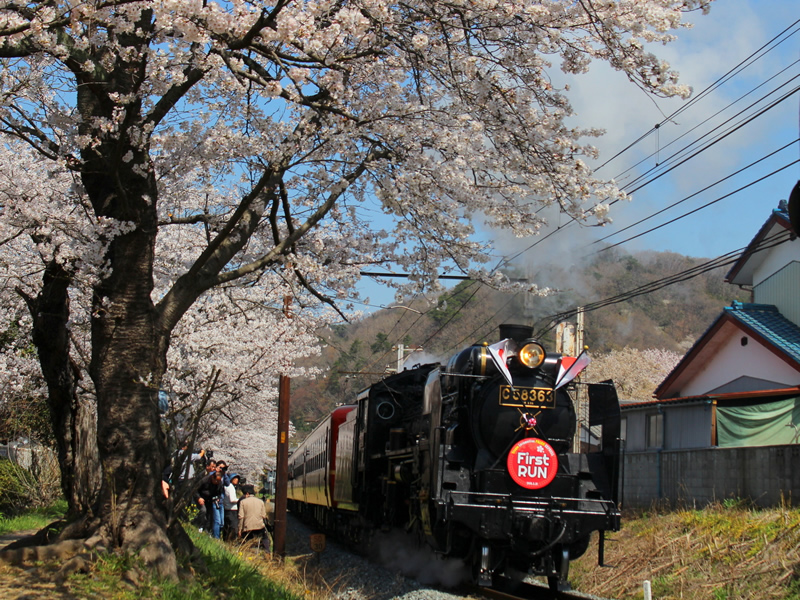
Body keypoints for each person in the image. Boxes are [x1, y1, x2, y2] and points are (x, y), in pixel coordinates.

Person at [238, 484, 269, 551]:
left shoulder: (243, 502)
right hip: (259, 526)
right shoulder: (260, 502)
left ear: (247, 493)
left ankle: (248, 552)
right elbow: (264, 515)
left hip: (247, 528)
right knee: (265, 538)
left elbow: (241, 517)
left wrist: (240, 529)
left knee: (246, 540)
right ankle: (267, 551)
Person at [195, 470, 224, 537]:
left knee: (209, 515)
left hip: (210, 500)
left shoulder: (219, 483)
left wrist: (218, 498)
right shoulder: (204, 480)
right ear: (212, 477)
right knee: (203, 510)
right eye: (216, 480)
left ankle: (206, 530)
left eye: (218, 481)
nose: (217, 482)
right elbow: (195, 489)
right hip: (201, 498)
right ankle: (199, 525)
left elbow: (219, 493)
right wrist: (198, 498)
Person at [222, 472, 240, 541]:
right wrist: (240, 500)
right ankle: (231, 541)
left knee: (227, 527)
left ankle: (226, 540)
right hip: (232, 510)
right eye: (235, 478)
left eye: (237, 478)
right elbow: (232, 500)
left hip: (227, 509)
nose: (236, 480)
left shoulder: (227, 486)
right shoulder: (231, 487)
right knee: (233, 527)